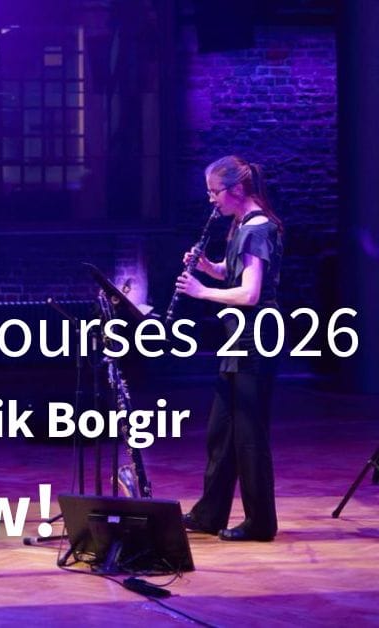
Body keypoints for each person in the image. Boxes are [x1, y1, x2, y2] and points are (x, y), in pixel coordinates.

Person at [175, 155, 284, 542]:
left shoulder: (258, 228)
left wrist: (202, 291)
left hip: (256, 340)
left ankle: (261, 522)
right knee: (221, 431)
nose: (211, 199)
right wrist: (209, 267)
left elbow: (250, 293)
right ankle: (210, 513)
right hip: (237, 339)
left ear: (236, 189)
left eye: (214, 192)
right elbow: (233, 273)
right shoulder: (241, 225)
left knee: (249, 435)